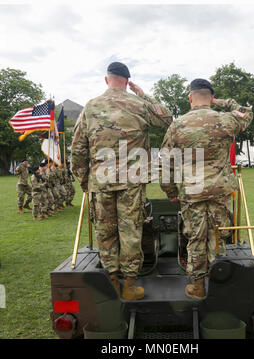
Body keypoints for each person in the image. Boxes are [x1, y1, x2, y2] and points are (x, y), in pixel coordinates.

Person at [71, 61, 173, 300]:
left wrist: (85, 181)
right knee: (131, 232)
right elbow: (167, 119)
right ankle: (129, 285)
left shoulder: (91, 106)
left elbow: (77, 149)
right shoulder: (139, 104)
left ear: (107, 80)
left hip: (101, 181)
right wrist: (144, 95)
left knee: (105, 233)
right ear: (128, 81)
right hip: (132, 181)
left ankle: (112, 282)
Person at [160, 78, 253, 299]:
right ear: (211, 98)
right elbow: (246, 112)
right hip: (220, 190)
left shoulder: (178, 125)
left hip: (192, 192)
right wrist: (224, 101)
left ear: (190, 97)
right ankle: (219, 283)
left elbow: (165, 162)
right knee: (218, 236)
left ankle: (198, 286)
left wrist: (171, 191)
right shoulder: (226, 120)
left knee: (196, 237)